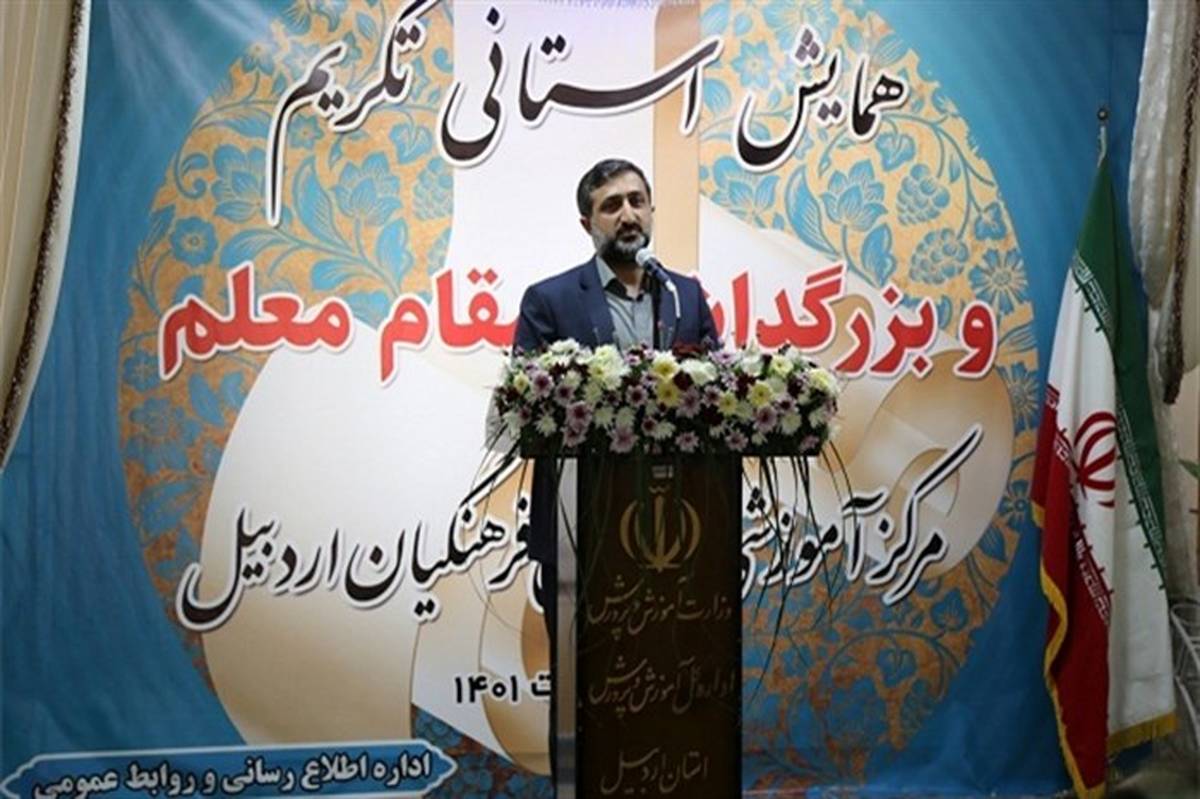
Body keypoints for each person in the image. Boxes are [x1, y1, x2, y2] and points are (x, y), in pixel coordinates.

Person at [510, 157, 719, 789]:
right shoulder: (549, 301)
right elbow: (529, 414)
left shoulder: (685, 296)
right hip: (583, 536)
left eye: (636, 200)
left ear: (651, 210)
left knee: (674, 686)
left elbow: (718, 400)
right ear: (588, 223)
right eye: (611, 205)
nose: (627, 214)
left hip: (678, 538)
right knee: (586, 691)